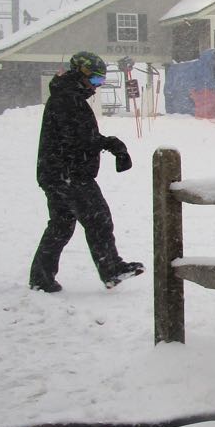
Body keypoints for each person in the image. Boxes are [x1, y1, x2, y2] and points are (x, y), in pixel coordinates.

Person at [28, 51, 143, 293]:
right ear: (81, 73)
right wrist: (111, 144)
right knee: (98, 218)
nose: (96, 87)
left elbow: (80, 137)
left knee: (61, 225)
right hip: (68, 174)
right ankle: (111, 268)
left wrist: (108, 145)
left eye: (100, 83)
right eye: (94, 81)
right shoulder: (67, 99)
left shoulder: (68, 96)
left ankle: (41, 277)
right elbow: (78, 139)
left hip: (56, 173)